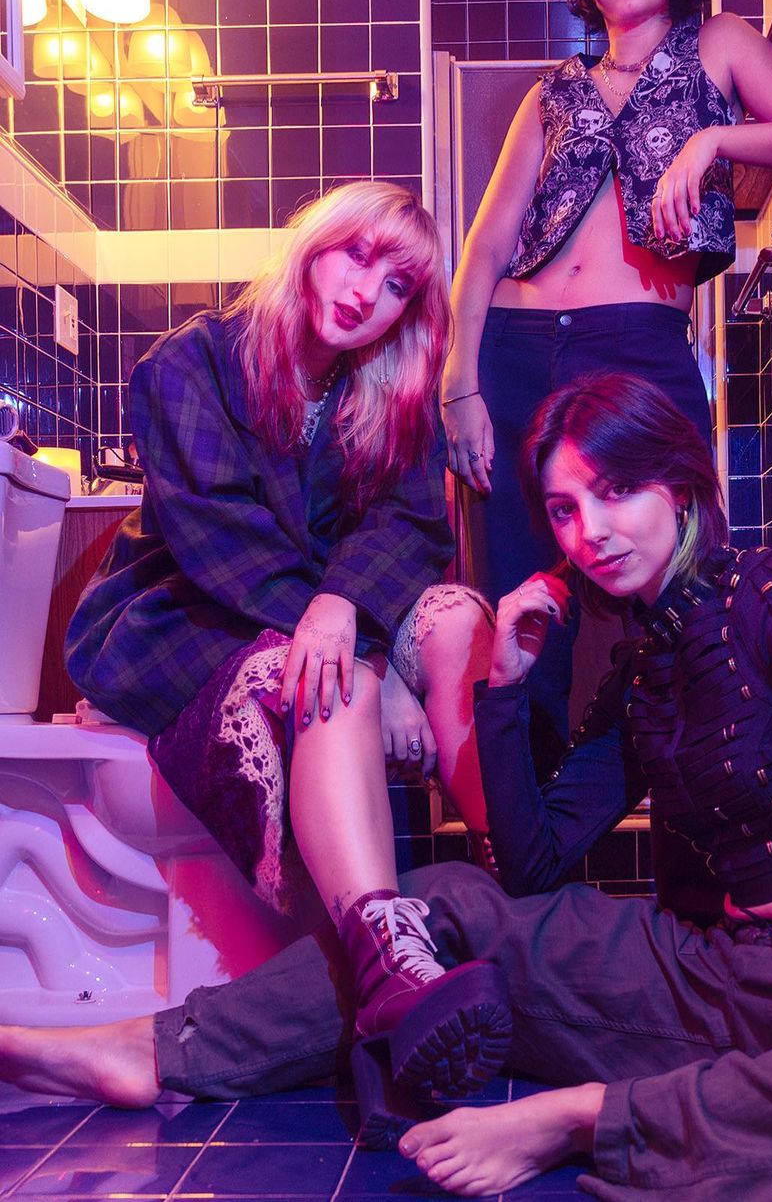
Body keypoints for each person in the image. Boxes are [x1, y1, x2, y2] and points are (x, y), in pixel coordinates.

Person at [3, 375, 772, 1200]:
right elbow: (530, 866)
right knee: (436, 905)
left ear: (679, 486)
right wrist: (503, 684)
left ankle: (580, 1120)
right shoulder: (642, 672)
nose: (589, 533)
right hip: (711, 977)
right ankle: (151, 1049)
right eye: (565, 511)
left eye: (615, 492)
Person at [62, 180, 508, 1133]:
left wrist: (356, 621)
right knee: (322, 679)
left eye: (397, 285)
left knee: (411, 636)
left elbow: (410, 525)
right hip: (180, 613)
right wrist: (361, 649)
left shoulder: (387, 392)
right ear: (314, 244)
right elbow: (221, 537)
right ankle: (391, 974)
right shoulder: (190, 363)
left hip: (314, 616)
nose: (365, 292)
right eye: (355, 255)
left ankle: (447, 943)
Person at [441, 0, 772, 759]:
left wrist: (712, 142)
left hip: (639, 344)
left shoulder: (720, 45)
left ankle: (714, 806)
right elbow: (484, 247)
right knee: (520, 601)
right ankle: (528, 820)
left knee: (689, 593)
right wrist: (457, 382)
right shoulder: (550, 93)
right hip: (515, 350)